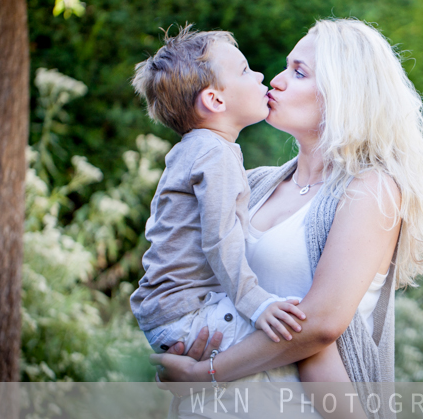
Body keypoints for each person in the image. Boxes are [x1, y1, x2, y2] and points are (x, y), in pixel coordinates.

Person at [151, 19, 423, 416]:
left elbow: (320, 325)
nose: (275, 79)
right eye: (286, 66)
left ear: (345, 93)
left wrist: (204, 373)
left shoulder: (370, 189)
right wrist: (182, 347)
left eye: (299, 72)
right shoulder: (252, 183)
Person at [130, 26, 348, 384]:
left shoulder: (198, 150)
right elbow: (220, 238)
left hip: (175, 311)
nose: (263, 75)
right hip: (189, 311)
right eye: (245, 70)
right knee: (303, 339)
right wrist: (256, 301)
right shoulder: (214, 155)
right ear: (216, 101)